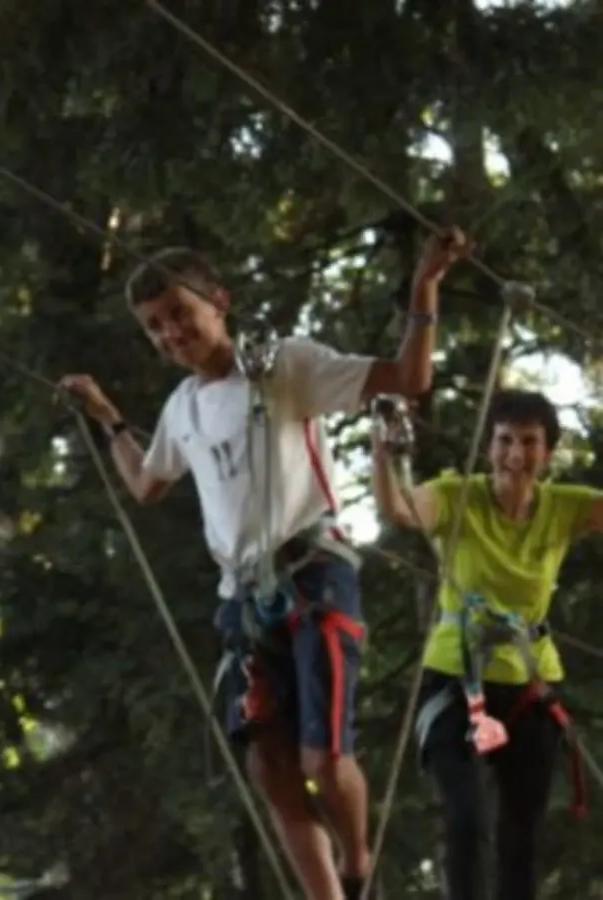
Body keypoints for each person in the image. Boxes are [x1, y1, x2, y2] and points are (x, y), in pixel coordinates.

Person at [59, 229, 469, 900]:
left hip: (313, 573)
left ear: (219, 301)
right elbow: (146, 483)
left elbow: (408, 378)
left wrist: (425, 285)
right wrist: (108, 418)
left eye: (180, 314)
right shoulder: (182, 408)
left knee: (322, 760)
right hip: (243, 600)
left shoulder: (285, 366)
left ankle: (356, 864)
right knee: (271, 767)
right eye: (154, 326)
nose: (171, 334)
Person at [371, 388, 602, 900]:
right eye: (504, 440)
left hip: (530, 681)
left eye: (529, 442)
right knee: (466, 817)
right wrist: (384, 452)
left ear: (547, 452)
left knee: (522, 833)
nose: (515, 454)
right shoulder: (457, 497)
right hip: (456, 676)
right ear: (488, 446)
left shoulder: (563, 508)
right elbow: (399, 508)